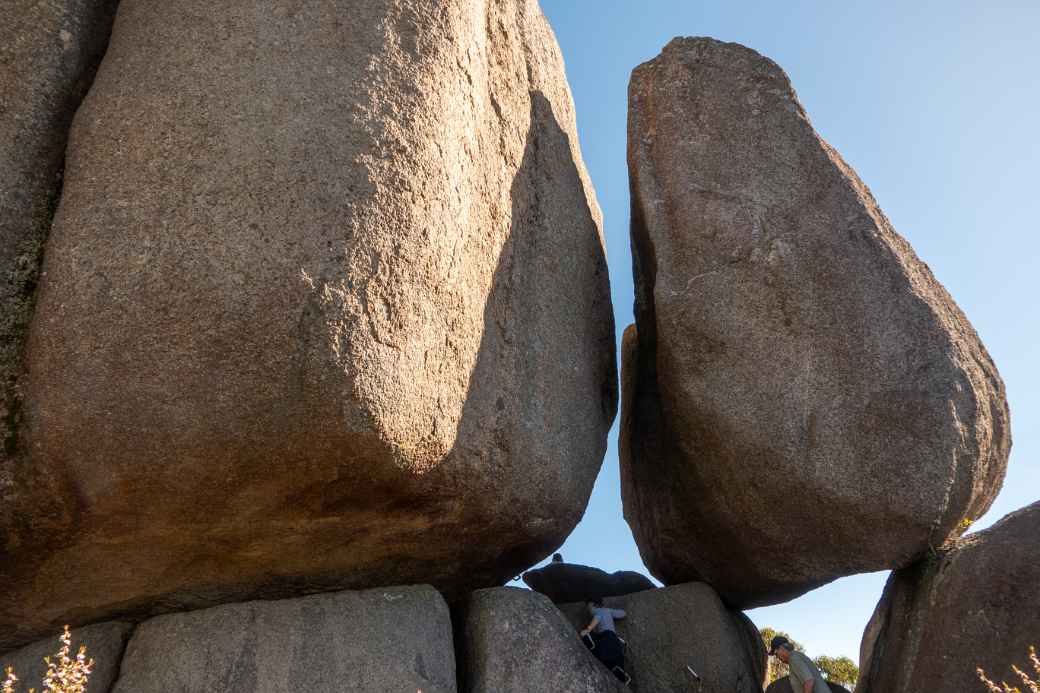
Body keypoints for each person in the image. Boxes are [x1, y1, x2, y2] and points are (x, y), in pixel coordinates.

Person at [580, 599, 629, 683]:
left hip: (606, 636)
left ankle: (590, 642)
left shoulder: (598, 611)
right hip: (614, 638)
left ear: (594, 605)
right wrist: (610, 611)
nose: (589, 611)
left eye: (589, 608)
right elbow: (623, 613)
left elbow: (597, 617)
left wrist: (588, 629)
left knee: (602, 651)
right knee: (615, 657)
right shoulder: (608, 611)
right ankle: (621, 674)